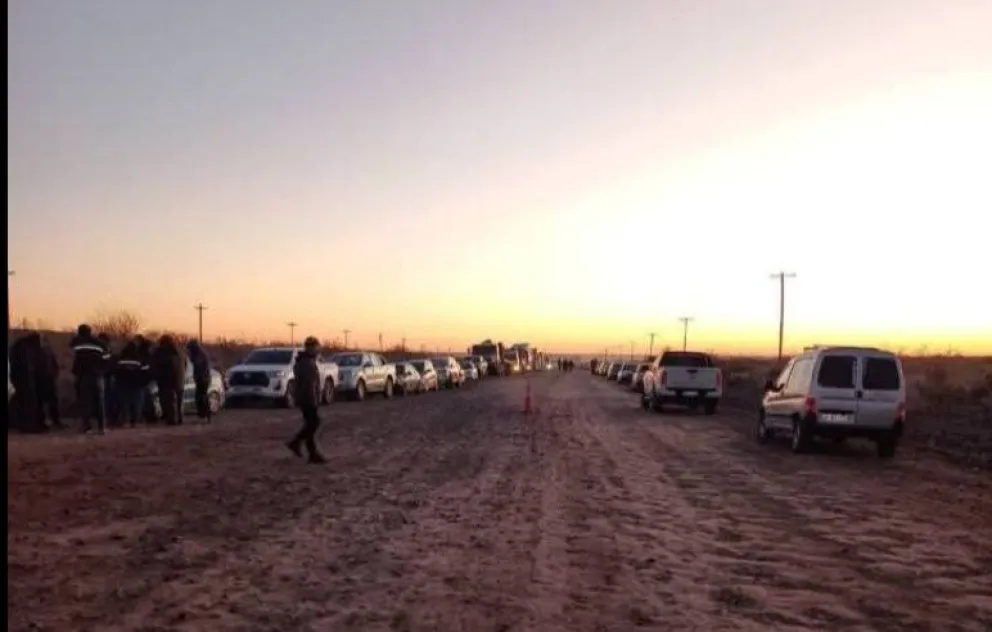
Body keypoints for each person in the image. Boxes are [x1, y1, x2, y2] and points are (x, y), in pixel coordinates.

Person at [286, 336, 326, 464]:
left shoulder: (307, 361)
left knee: (311, 424)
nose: (317, 349)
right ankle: (300, 445)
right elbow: (308, 384)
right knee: (313, 423)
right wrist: (313, 399)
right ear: (310, 348)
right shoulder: (305, 363)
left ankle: (304, 448)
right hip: (307, 398)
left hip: (307, 398)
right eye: (315, 347)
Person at [71, 324, 111, 434]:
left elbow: (71, 358)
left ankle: (86, 426)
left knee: (85, 402)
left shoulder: (76, 343)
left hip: (82, 376)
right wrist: (102, 371)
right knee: (99, 401)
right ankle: (101, 427)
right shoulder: (100, 344)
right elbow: (107, 360)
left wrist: (75, 372)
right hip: (97, 376)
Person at [9, 332, 45, 432]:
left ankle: (26, 425)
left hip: (19, 379)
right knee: (28, 403)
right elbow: (26, 366)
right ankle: (29, 426)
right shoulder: (25, 349)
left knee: (24, 402)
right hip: (24, 379)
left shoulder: (20, 347)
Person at [152, 335, 186, 426]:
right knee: (179, 401)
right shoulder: (180, 352)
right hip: (180, 379)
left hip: (167, 380)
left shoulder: (163, 352)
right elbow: (185, 365)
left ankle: (172, 420)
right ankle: (180, 418)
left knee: (169, 401)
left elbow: (159, 365)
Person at [113, 341, 147, 427]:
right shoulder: (139, 358)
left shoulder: (120, 358)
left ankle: (125, 420)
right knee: (136, 403)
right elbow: (144, 371)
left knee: (124, 403)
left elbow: (115, 370)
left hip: (122, 384)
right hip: (136, 384)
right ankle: (134, 420)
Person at [37, 335, 63, 429]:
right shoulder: (41, 352)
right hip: (44, 379)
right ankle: (47, 420)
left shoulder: (47, 351)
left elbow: (54, 364)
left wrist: (55, 374)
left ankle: (54, 419)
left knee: (52, 401)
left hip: (48, 378)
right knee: (45, 401)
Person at [186, 339, 212, 423]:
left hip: (203, 378)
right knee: (201, 397)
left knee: (202, 397)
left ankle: (205, 415)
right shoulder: (200, 353)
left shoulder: (199, 355)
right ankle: (204, 415)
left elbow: (197, 364)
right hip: (203, 378)